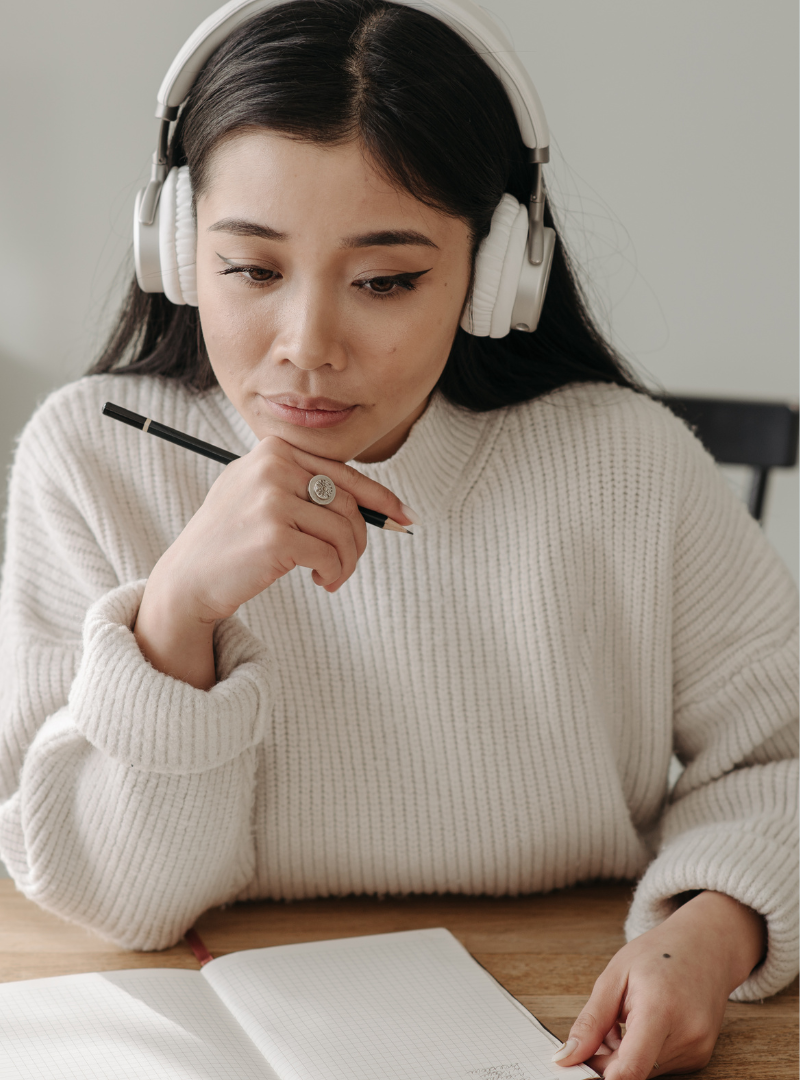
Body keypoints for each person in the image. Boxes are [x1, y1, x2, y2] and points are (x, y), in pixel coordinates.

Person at [0, 1, 796, 1076]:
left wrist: (713, 930)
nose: (307, 346)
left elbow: (781, 765)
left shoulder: (627, 463)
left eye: (384, 281)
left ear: (499, 272)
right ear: (176, 250)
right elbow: (117, 901)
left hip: (560, 1002)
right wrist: (176, 613)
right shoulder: (88, 457)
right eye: (252, 270)